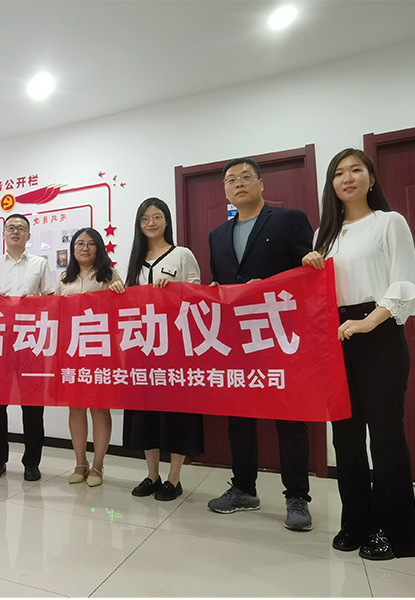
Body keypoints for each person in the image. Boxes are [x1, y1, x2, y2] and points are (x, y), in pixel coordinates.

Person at [302, 148, 415, 559]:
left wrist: (369, 322)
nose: (347, 178)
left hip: (379, 333)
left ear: (371, 179)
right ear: (331, 184)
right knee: (346, 438)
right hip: (336, 338)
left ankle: (395, 530)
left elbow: (404, 285)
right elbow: (317, 294)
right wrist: (311, 265)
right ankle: (356, 521)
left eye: (356, 170)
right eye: (339, 173)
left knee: (385, 436)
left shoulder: (389, 222)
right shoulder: (324, 234)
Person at [207, 157, 314, 531]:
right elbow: (221, 281)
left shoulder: (290, 220)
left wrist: (270, 286)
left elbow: (307, 275)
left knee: (290, 418)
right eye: (231, 180)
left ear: (261, 183)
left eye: (245, 177)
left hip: (282, 335)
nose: (238, 184)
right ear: (225, 190)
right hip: (236, 339)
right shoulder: (217, 235)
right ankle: (243, 488)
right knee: (239, 417)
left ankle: (297, 497)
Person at [121, 197, 204, 501]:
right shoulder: (135, 260)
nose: (151, 223)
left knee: (177, 412)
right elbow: (127, 305)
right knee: (146, 414)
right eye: (145, 218)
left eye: (157, 217)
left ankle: (174, 478)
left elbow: (198, 295)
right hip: (142, 348)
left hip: (176, 347)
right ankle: (152, 474)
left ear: (166, 220)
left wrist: (175, 291)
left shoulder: (181, 254)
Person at [0, 213, 53, 482]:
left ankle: (32, 462)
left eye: (21, 228)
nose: (16, 232)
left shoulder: (40, 264)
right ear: (4, 233)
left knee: (33, 406)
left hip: (31, 341)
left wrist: (36, 302)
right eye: (11, 228)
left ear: (29, 235)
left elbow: (52, 300)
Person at [56, 227, 122, 487]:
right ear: (73, 249)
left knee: (99, 407)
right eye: (79, 243)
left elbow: (122, 310)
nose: (85, 248)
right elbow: (55, 313)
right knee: (75, 407)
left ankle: (98, 464)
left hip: (99, 351)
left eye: (91, 243)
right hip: (72, 351)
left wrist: (119, 290)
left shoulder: (109, 275)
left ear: (99, 248)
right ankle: (80, 462)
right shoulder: (64, 279)